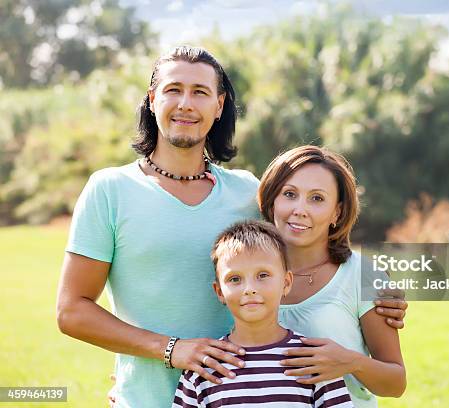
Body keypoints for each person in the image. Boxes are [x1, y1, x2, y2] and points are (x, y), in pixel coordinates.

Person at [56, 45, 406, 407]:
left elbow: (308, 249)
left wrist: (378, 290)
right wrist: (169, 350)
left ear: (219, 105)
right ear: (152, 99)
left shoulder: (248, 193)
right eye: (173, 90)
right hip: (147, 399)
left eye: (200, 92)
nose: (186, 104)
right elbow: (72, 311)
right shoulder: (109, 190)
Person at [258, 146, 407, 406]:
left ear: (336, 213)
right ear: (272, 202)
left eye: (317, 199)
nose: (300, 209)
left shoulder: (365, 276)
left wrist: (350, 361)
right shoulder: (245, 276)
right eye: (290, 194)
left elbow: (396, 383)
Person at [173, 220, 354, 407]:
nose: (249, 289)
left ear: (286, 282)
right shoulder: (203, 369)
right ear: (219, 291)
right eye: (235, 279)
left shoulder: (314, 361)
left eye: (263, 275)